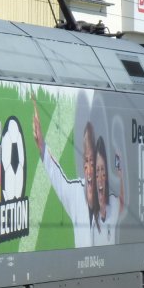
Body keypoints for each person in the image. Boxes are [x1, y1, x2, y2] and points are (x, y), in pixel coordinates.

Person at [33, 99, 97, 247]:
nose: (89, 170)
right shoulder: (76, 193)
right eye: (86, 162)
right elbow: (58, 178)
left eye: (93, 163)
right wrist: (42, 146)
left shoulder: (108, 199)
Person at [93, 135, 124, 245]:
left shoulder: (113, 205)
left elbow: (121, 203)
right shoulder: (89, 214)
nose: (100, 178)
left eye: (102, 170)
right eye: (97, 171)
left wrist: (120, 173)